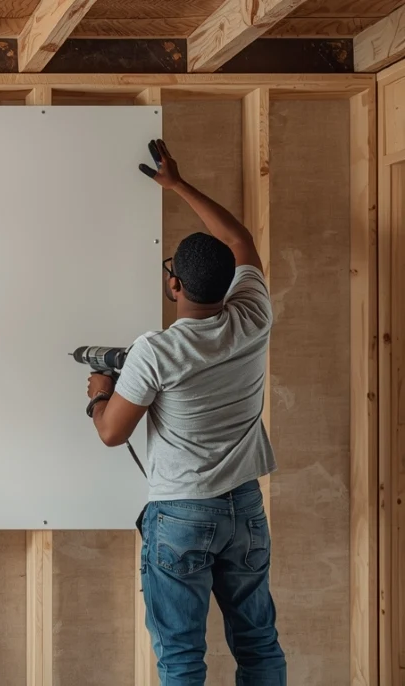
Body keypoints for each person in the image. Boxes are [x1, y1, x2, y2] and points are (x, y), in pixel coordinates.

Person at [85, 140, 286, 685]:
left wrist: (100, 391)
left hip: (181, 517)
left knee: (180, 657)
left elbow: (111, 433)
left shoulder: (157, 350)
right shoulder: (253, 313)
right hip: (244, 507)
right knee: (259, 644)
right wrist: (178, 185)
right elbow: (239, 239)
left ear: (173, 284)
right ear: (228, 284)